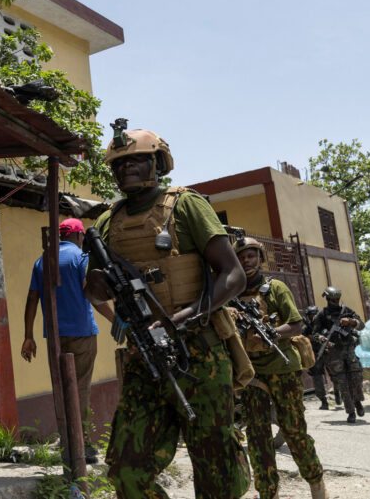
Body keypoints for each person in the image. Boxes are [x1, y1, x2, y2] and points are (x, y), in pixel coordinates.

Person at [83, 123, 251, 499]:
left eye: (136, 160)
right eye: (119, 163)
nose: (126, 167)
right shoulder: (108, 222)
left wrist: (183, 318)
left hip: (200, 352)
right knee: (126, 470)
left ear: (158, 163)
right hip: (144, 357)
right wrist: (95, 284)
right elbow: (93, 291)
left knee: (216, 473)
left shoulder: (186, 205)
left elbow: (233, 275)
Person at [233, 237, 327, 499]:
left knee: (293, 430)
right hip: (251, 374)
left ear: (260, 259)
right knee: (257, 437)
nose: (246, 261)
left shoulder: (276, 288)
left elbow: (295, 324)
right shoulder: (231, 295)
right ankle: (268, 492)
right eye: (241, 257)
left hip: (282, 369)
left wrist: (271, 333)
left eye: (251, 256)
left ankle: (317, 484)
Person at [21, 217, 114, 463]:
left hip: (54, 337)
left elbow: (32, 299)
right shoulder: (81, 259)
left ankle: (67, 439)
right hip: (82, 334)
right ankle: (80, 445)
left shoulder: (42, 261)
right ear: (79, 235)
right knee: (80, 388)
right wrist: (116, 321)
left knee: (62, 387)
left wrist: (28, 336)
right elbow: (94, 296)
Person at [309, 287, 364, 423]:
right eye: (332, 299)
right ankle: (351, 412)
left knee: (356, 377)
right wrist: (323, 339)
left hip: (349, 349)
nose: (335, 301)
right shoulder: (322, 315)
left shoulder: (347, 311)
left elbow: (361, 325)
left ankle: (357, 402)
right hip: (334, 353)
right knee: (342, 382)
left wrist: (350, 321)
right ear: (327, 299)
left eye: (336, 299)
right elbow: (315, 333)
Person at [301, 305, 335, 410]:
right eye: (311, 315)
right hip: (315, 354)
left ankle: (337, 393)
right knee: (317, 378)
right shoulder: (306, 328)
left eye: (315, 314)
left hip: (327, 352)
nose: (313, 317)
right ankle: (324, 401)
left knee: (335, 374)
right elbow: (302, 340)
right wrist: (308, 338)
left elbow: (331, 336)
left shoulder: (325, 325)